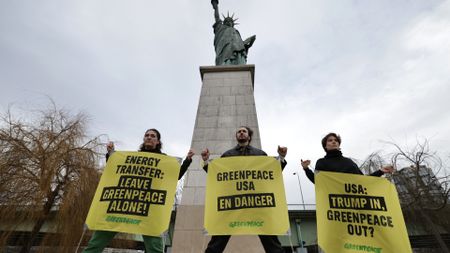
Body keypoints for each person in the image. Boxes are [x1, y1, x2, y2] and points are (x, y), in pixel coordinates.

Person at [83, 128, 195, 253]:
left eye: (153, 136)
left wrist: (187, 161)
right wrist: (110, 154)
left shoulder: (164, 161)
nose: (149, 137)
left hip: (147, 209)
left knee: (155, 248)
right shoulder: (132, 157)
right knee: (95, 245)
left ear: (158, 141)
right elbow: (115, 170)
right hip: (122, 206)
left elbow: (174, 177)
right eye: (147, 135)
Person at [201, 126, 287, 253]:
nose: (241, 133)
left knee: (271, 242)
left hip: (257, 204)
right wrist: (206, 161)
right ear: (236, 136)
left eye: (244, 131)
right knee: (217, 242)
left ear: (249, 136)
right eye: (239, 131)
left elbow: (271, 173)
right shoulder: (227, 155)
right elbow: (218, 176)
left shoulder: (260, 154)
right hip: (233, 204)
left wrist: (281, 157)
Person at [301, 132, 394, 183]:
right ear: (325, 146)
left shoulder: (349, 162)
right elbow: (318, 182)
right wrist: (306, 169)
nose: (334, 142)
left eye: (336, 140)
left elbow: (364, 182)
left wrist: (381, 171)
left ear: (338, 144)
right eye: (330, 140)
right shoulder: (321, 162)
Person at [211, 0, 256, 65]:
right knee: (225, 61)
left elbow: (241, 45)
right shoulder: (220, 27)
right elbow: (217, 17)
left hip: (237, 49)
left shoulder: (236, 32)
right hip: (224, 48)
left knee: (239, 60)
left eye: (230, 21)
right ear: (224, 23)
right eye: (227, 21)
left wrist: (249, 42)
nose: (229, 22)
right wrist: (215, 6)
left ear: (233, 24)